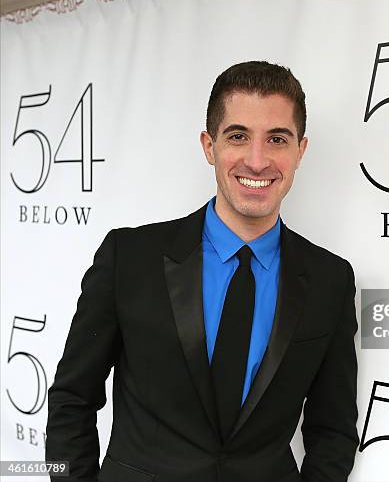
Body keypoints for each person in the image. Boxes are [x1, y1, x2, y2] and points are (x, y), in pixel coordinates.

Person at [46, 61, 359, 482]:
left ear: (300, 151)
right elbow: (71, 400)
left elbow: (333, 431)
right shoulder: (129, 257)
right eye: (238, 136)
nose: (257, 160)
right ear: (209, 146)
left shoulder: (330, 279)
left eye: (277, 139)